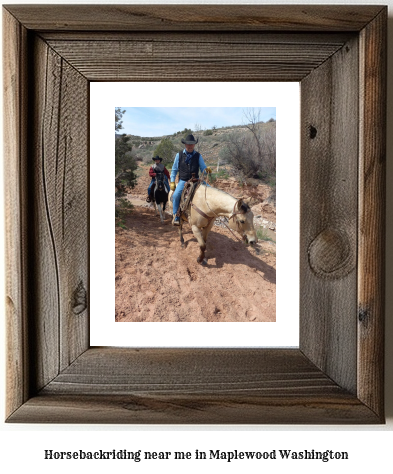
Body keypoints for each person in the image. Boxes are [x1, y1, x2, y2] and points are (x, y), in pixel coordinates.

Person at [170, 134, 211, 225]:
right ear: (185, 144)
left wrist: (206, 170)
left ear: (194, 145)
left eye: (192, 144)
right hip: (183, 180)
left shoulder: (198, 155)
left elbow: (203, 168)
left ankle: (209, 213)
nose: (190, 146)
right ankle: (176, 216)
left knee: (210, 190)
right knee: (176, 195)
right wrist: (172, 181)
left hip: (196, 179)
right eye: (188, 144)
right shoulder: (179, 155)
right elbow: (174, 169)